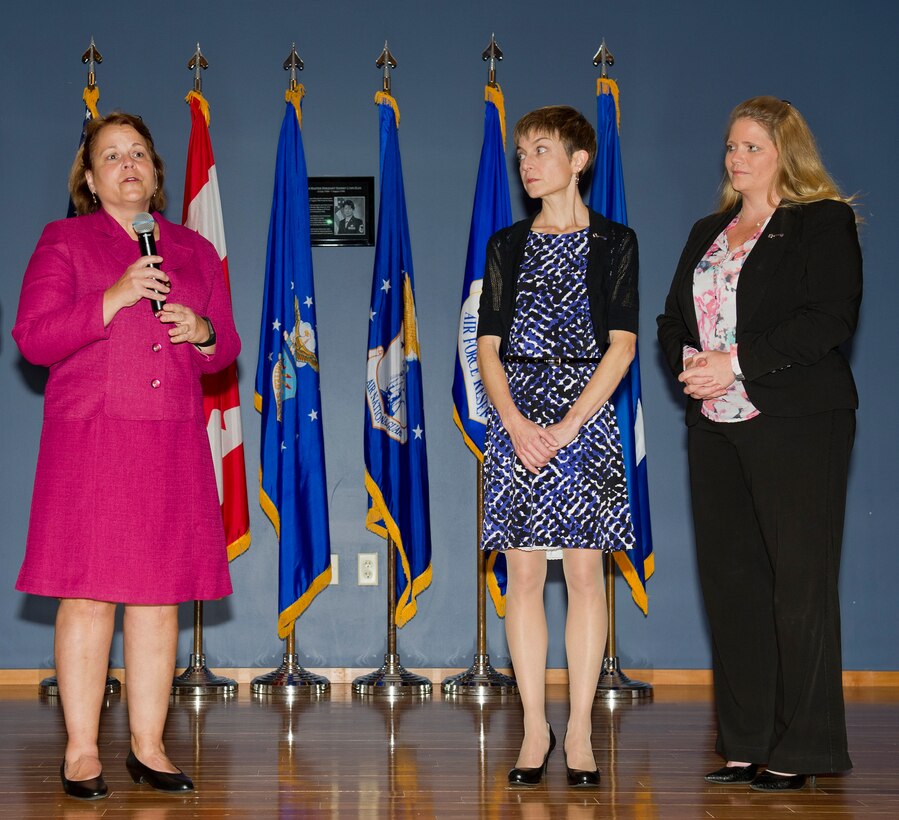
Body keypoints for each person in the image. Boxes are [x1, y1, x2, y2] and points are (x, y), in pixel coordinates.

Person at [13, 112, 241, 800]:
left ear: (156, 171)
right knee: (86, 597)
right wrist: (110, 299)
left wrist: (201, 331)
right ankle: (82, 751)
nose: (127, 164)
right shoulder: (65, 241)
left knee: (158, 599)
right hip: (91, 439)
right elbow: (33, 338)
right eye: (111, 155)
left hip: (169, 437)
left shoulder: (193, 249)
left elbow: (225, 346)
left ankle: (149, 746)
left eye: (138, 152)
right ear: (89, 177)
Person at [657, 96, 861, 791]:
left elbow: (829, 318)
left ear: (785, 153)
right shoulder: (706, 231)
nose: (736, 159)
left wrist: (733, 362)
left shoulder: (820, 222)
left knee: (797, 586)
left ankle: (800, 747)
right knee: (733, 584)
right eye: (731, 147)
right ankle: (743, 744)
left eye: (752, 147)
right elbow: (670, 319)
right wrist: (688, 363)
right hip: (714, 425)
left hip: (799, 420)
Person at [477, 106, 638, 788]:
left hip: (587, 418)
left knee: (581, 574)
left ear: (579, 159)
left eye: (540, 149)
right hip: (517, 418)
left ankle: (577, 729)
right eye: (521, 153)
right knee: (521, 576)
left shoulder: (615, 241)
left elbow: (623, 344)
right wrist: (513, 422)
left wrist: (570, 425)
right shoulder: (506, 244)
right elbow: (487, 345)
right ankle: (534, 727)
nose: (527, 162)